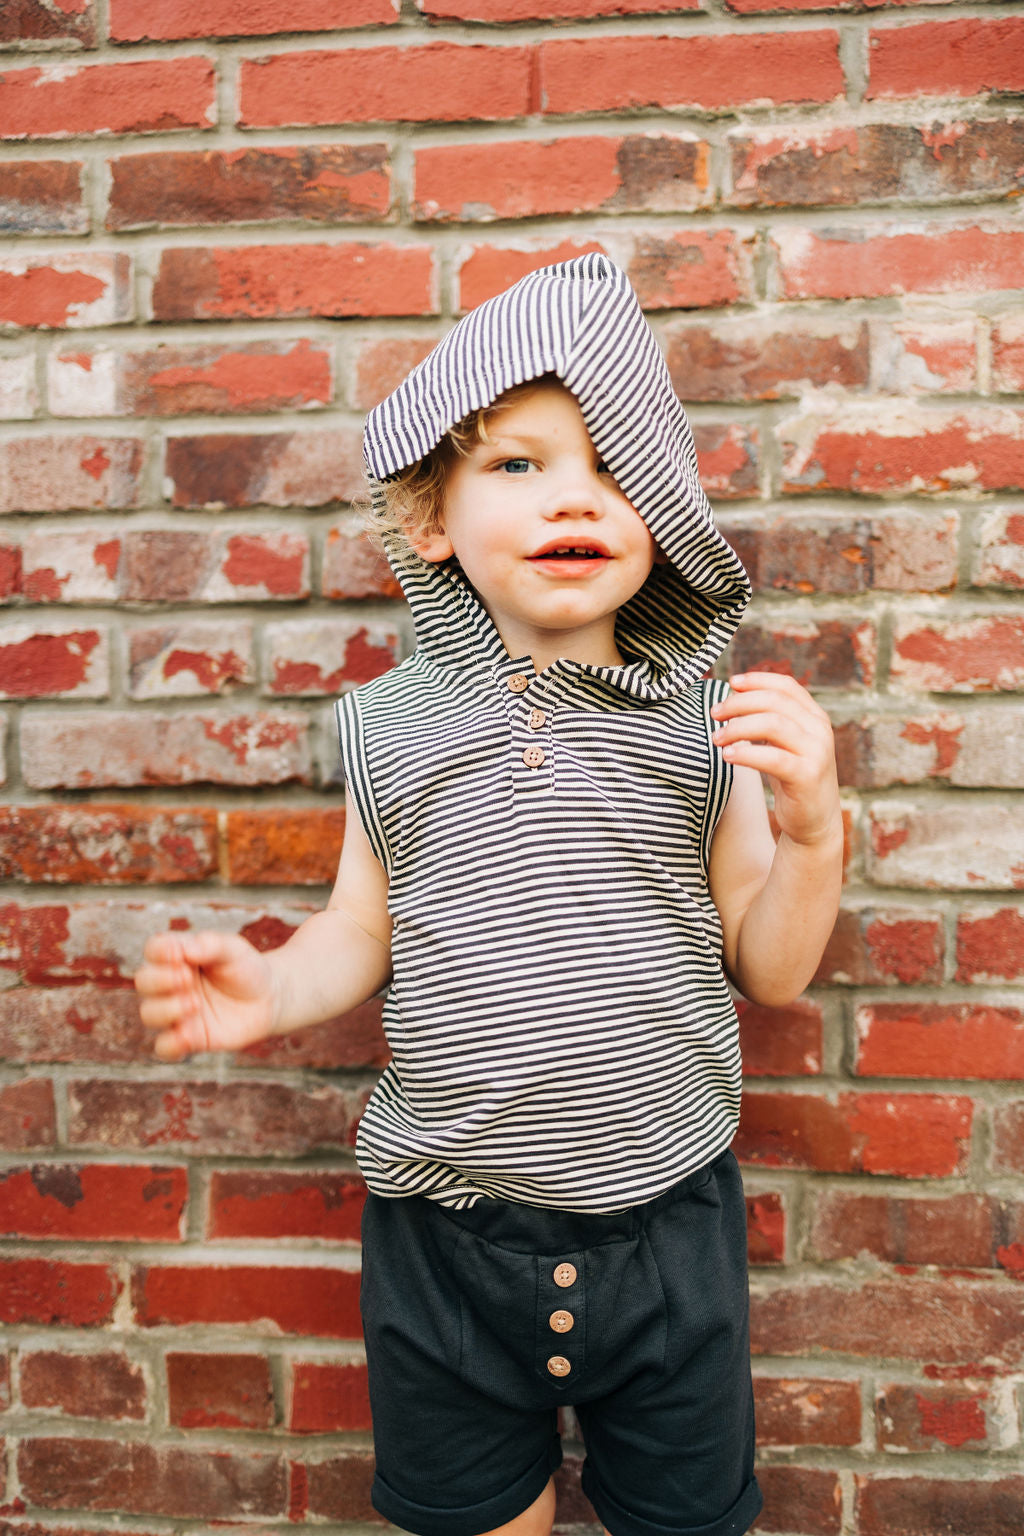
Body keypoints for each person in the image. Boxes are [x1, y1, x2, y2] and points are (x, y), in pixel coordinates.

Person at [135, 254, 842, 1536]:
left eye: (614, 466)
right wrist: (272, 990)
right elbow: (360, 928)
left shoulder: (702, 726)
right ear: (429, 519)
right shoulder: (391, 727)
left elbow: (774, 968)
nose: (576, 496)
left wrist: (810, 832)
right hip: (446, 1234)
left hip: (661, 1228)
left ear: (663, 512)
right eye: (518, 464)